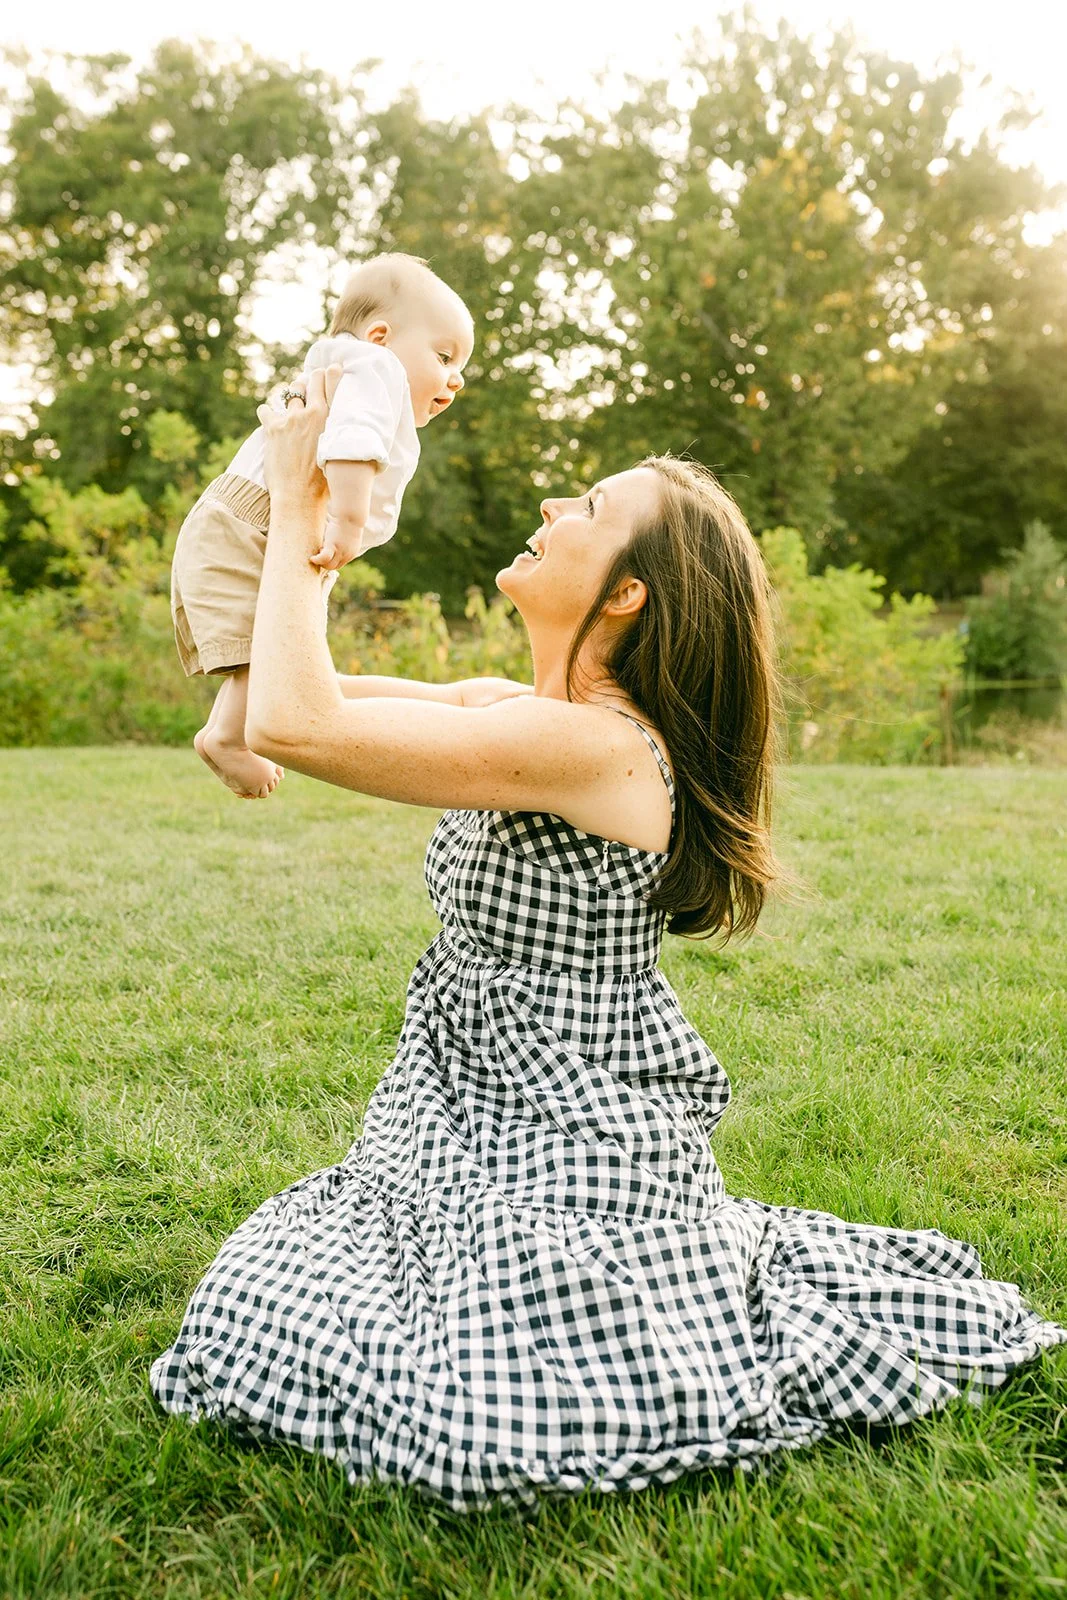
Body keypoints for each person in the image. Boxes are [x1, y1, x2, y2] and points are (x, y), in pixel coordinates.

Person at [151, 367, 1066, 1510]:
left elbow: (302, 722)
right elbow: (291, 694)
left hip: (570, 1134)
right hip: (454, 1113)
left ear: (627, 592)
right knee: (262, 1299)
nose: (548, 510)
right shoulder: (515, 711)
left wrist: (296, 509)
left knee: (464, 1409)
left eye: (583, 508)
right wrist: (292, 581)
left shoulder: (605, 752)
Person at [170, 253, 474, 800]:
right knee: (268, 646)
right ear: (380, 336)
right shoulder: (373, 368)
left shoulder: (350, 370)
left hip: (255, 518)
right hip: (263, 522)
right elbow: (350, 445)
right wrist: (351, 521)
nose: (455, 377)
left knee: (267, 646)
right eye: (444, 355)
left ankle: (228, 732)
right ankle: (228, 738)